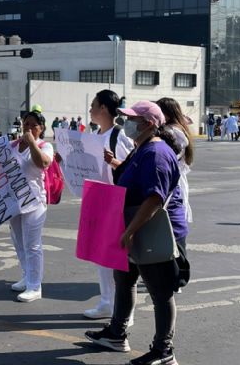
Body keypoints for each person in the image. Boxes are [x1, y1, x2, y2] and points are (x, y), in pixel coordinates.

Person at [85, 100, 187, 365]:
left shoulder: (156, 153)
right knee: (125, 279)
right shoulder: (141, 147)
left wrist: (130, 231)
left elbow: (154, 198)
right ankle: (117, 333)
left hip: (151, 229)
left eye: (133, 119)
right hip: (135, 226)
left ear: (149, 124)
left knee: (160, 292)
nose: (127, 122)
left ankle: (164, 350)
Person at [0, 111, 54, 302]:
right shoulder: (12, 146)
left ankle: (35, 286)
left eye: (33, 125)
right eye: (26, 124)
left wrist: (32, 142)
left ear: (41, 128)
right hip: (14, 201)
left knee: (32, 245)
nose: (28, 128)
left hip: (34, 202)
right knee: (19, 241)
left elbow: (43, 163)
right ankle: (27, 276)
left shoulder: (45, 146)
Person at [84, 90, 135, 320]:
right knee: (101, 255)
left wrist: (114, 163)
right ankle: (107, 302)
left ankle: (124, 311)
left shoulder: (118, 136)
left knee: (118, 259)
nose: (90, 109)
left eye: (93, 105)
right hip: (98, 199)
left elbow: (128, 170)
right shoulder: (95, 135)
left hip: (115, 201)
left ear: (103, 108)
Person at [157, 98, 194, 226]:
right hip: (177, 178)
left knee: (170, 218)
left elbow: (169, 155)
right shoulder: (179, 128)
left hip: (172, 180)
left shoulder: (171, 131)